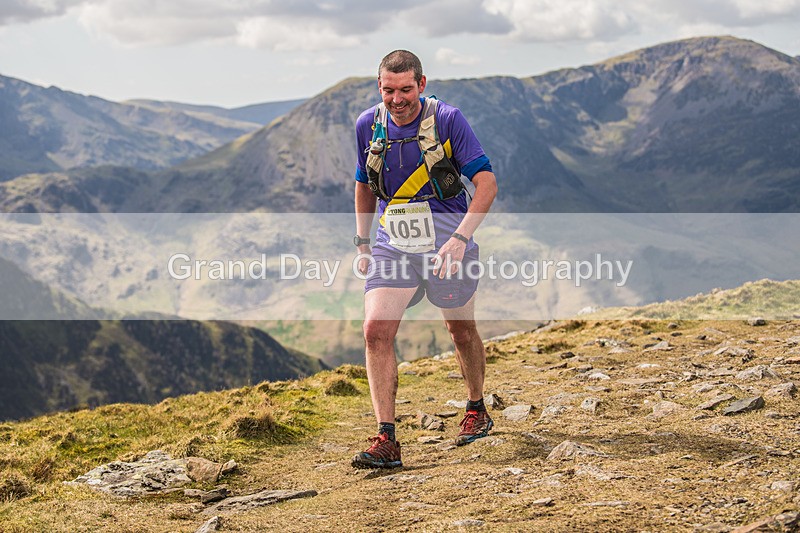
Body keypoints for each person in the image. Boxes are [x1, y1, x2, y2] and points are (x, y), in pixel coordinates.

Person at [351, 50, 498, 469]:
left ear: (422, 83)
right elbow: (364, 183)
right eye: (388, 90)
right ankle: (386, 438)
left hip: (447, 239)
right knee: (375, 330)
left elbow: (486, 184)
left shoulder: (448, 120)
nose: (396, 99)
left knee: (459, 329)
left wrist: (459, 239)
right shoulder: (368, 124)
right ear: (379, 86)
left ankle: (475, 407)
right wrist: (363, 241)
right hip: (393, 242)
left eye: (405, 89)